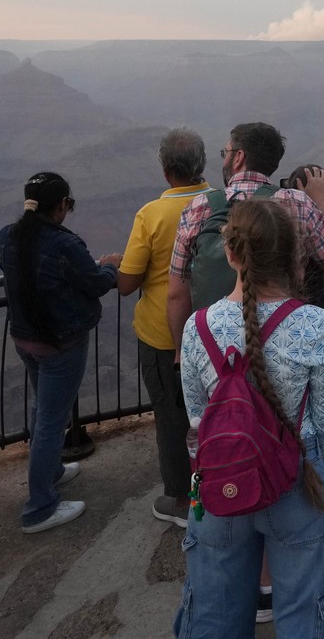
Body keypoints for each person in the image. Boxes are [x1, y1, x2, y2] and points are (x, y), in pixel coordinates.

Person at [175, 198, 324, 639]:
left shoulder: (198, 327)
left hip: (220, 478)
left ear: (230, 253)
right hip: (297, 483)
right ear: (293, 256)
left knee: (214, 612)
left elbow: (197, 420)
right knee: (307, 613)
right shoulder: (314, 323)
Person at [0, 172, 119, 534]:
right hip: (60, 345)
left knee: (44, 411)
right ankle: (39, 508)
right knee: (52, 421)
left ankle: (51, 473)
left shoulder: (8, 236)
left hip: (25, 341)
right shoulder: (65, 245)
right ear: (62, 205)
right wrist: (110, 266)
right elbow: (96, 285)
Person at [166, 122, 324, 355]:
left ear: (238, 157)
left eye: (225, 153)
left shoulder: (198, 207)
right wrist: (321, 202)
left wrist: (180, 353)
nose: (223, 160)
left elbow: (176, 294)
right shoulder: (297, 202)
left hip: (212, 345)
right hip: (284, 341)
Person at [116, 128, 213, 528]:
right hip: (213, 331)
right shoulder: (219, 202)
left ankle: (179, 501)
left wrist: (116, 263)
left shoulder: (152, 214)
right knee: (212, 412)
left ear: (166, 169)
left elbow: (127, 284)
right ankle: (220, 483)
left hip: (164, 337)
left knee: (172, 420)